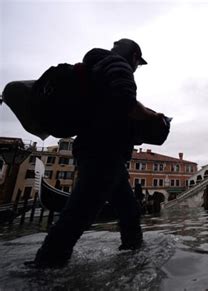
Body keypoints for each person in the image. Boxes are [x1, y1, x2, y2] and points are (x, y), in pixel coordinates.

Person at [27, 39, 161, 268]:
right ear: (135, 57)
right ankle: (45, 267)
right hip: (104, 153)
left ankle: (132, 255)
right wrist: (153, 117)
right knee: (80, 214)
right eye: (138, 63)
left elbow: (111, 105)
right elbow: (125, 103)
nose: (137, 67)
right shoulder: (119, 66)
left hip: (104, 154)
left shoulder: (97, 66)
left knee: (129, 212)